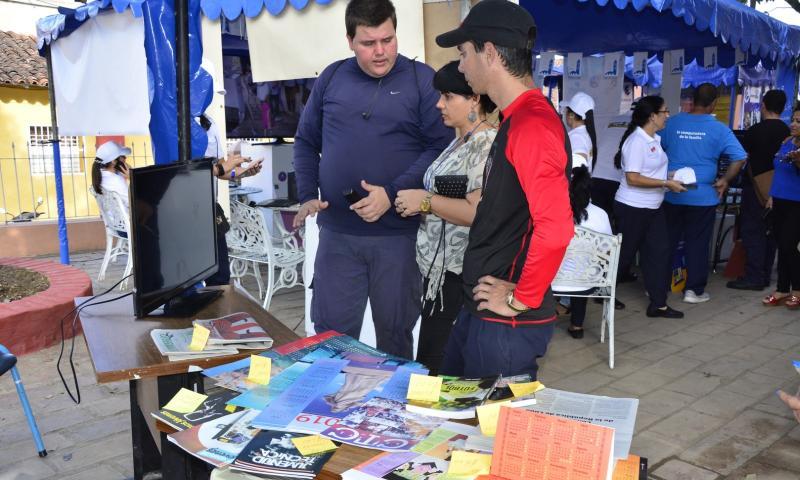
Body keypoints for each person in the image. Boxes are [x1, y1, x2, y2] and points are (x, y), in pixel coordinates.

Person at [292, 0, 453, 358]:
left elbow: (439, 149)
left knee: (395, 338)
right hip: (338, 237)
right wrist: (306, 194)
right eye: (368, 43)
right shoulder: (331, 78)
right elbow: (305, 141)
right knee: (331, 340)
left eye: (388, 39)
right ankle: (331, 410)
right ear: (350, 40)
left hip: (397, 238)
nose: (381, 51)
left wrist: (391, 193)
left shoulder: (421, 80)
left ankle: (393, 412)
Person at [434, 0, 574, 380]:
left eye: (464, 54)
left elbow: (557, 228)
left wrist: (520, 298)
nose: (461, 65)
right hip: (482, 308)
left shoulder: (532, 124)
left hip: (505, 325)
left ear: (490, 53)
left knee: (492, 434)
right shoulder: (516, 118)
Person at [394, 61, 497, 374]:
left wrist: (424, 201)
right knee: (431, 362)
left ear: (474, 100)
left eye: (448, 96)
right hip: (439, 276)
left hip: (458, 276)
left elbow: (478, 212)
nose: (439, 103)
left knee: (437, 366)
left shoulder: (485, 144)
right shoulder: (459, 140)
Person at [659, 83, 747, 304]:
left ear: (692, 100)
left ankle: (658, 288)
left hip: (672, 194)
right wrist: (725, 180)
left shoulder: (673, 122)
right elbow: (740, 156)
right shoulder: (719, 129)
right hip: (703, 197)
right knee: (697, 243)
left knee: (667, 242)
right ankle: (694, 291)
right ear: (714, 103)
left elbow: (654, 148)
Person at [614, 96, 687, 318]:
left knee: (659, 252)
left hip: (653, 207)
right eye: (664, 112)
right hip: (632, 208)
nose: (668, 116)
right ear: (652, 116)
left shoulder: (653, 138)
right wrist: (666, 183)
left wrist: (672, 177)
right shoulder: (636, 141)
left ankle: (658, 304)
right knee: (623, 256)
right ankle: (595, 292)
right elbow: (633, 179)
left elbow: (651, 172)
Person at [728, 90, 789, 291]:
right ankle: (764, 274)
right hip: (780, 189)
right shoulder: (788, 133)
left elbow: (741, 156)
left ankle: (753, 276)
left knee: (752, 231)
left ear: (763, 105)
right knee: (772, 232)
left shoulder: (754, 131)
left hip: (754, 188)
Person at [552, 164, 612, 338]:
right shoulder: (601, 215)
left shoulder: (551, 211)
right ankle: (577, 325)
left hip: (552, 281)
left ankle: (545, 319)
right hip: (587, 282)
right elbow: (606, 251)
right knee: (584, 268)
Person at [762, 105, 800, 309]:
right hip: (780, 200)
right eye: (793, 119)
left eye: (799, 121)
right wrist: (771, 195)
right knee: (782, 247)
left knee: (789, 246)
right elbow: (778, 171)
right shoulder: (786, 142)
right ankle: (782, 289)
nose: (793, 124)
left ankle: (797, 290)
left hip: (797, 203)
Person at [562, 92, 597, 173]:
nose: (565, 113)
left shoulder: (577, 137)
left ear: (571, 115)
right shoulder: (583, 133)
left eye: (566, 111)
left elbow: (578, 168)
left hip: (574, 185)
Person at [91, 141, 131, 208]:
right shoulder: (117, 180)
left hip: (114, 217)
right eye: (123, 156)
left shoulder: (101, 176)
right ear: (113, 161)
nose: (125, 158)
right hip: (129, 215)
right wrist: (132, 179)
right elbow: (132, 203)